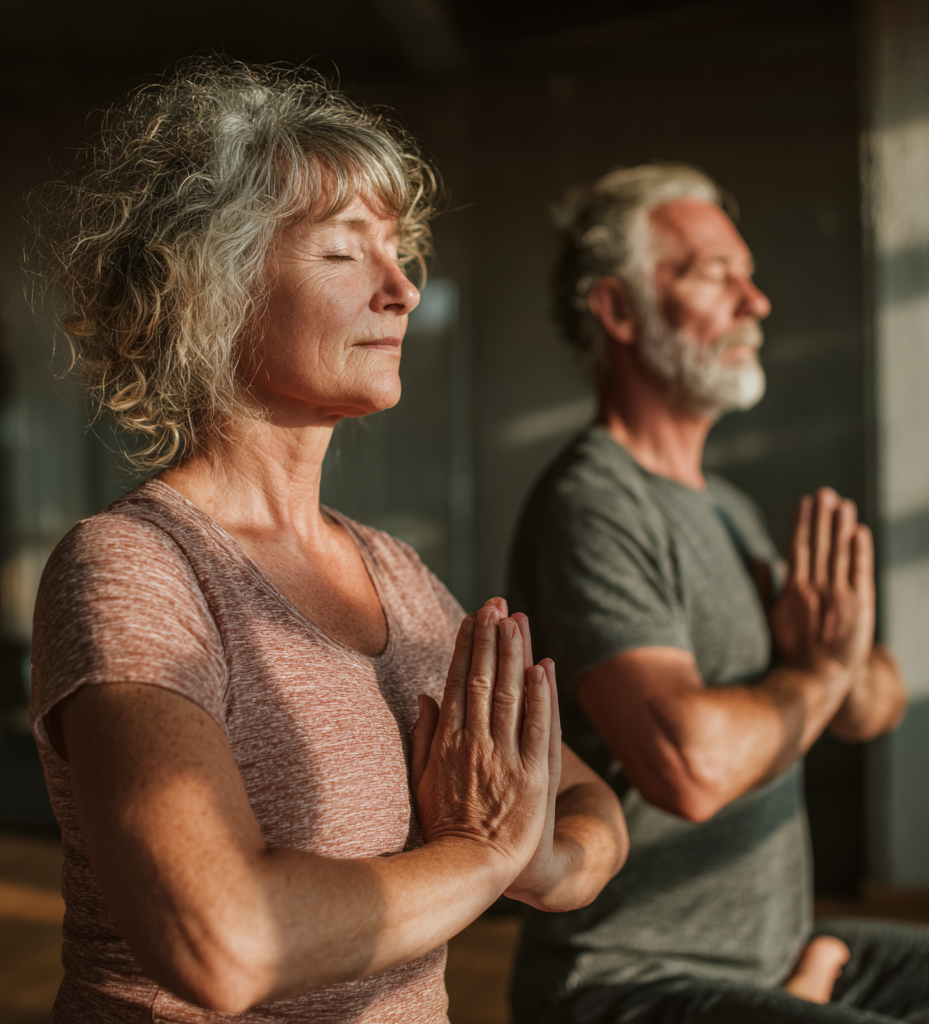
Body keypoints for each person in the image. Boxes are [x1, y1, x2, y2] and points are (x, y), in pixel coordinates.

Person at [27, 61, 628, 1024]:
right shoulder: (134, 568)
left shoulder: (395, 571)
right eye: (346, 253)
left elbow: (593, 812)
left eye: (399, 251)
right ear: (211, 288)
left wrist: (543, 859)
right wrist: (482, 857)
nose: (402, 289)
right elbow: (221, 941)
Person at [507, 163, 929, 1023]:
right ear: (619, 310)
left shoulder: (731, 511)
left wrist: (830, 663)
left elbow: (875, 704)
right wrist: (817, 674)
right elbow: (691, 768)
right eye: (714, 274)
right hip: (629, 981)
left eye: (748, 275)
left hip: (769, 953)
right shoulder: (590, 506)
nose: (757, 303)